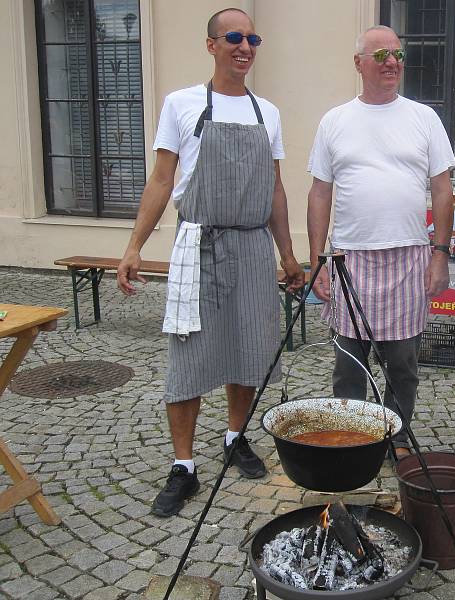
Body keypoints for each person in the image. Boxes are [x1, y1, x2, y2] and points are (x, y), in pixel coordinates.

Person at [116, 8, 304, 517]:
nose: (245, 46)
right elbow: (161, 180)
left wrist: (288, 256)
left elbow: (276, 189)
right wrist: (134, 246)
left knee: (249, 346)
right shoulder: (181, 104)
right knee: (190, 354)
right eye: (234, 37)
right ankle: (184, 467)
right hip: (197, 245)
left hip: (251, 247)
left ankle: (234, 437)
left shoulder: (268, 112)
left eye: (252, 38)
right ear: (212, 45)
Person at [306, 26, 455, 455]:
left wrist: (440, 254)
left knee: (403, 365)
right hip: (350, 258)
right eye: (380, 55)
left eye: (398, 54)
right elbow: (320, 192)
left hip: (409, 254)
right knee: (349, 364)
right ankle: (353, 439)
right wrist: (317, 258)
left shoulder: (423, 117)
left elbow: (443, 189)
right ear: (359, 64)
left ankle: (396, 437)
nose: (392, 62)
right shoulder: (334, 120)